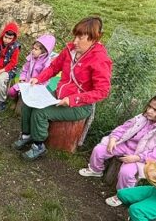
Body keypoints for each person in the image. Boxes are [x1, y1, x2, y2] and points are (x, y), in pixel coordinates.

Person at [13, 16, 112, 160]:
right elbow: (54, 67)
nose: (75, 41)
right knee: (29, 103)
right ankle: (27, 135)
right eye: (75, 36)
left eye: (80, 38)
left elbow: (102, 91)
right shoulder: (70, 50)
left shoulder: (99, 59)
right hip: (59, 94)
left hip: (79, 105)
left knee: (41, 112)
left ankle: (38, 145)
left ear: (93, 39)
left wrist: (72, 100)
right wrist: (38, 78)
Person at [79, 92, 156, 190]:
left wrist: (137, 158)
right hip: (127, 145)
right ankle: (96, 170)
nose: (149, 111)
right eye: (149, 106)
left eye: (155, 110)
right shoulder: (144, 117)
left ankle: (123, 194)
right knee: (99, 150)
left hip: (146, 158)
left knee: (126, 172)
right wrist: (113, 138)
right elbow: (124, 128)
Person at [6, 34, 56, 102]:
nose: (33, 50)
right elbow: (25, 69)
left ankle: (21, 102)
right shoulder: (31, 56)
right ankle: (16, 98)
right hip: (26, 82)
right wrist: (22, 79)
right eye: (33, 48)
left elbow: (45, 79)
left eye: (36, 49)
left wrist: (36, 85)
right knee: (11, 91)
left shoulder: (46, 63)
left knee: (28, 99)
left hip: (36, 86)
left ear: (44, 51)